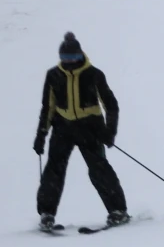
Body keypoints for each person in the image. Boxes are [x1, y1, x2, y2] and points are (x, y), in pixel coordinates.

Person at [34, 32, 129, 231]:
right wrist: (41, 135)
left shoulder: (94, 74)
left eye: (73, 58)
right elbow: (48, 108)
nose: (69, 62)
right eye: (65, 58)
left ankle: (118, 211)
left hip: (90, 128)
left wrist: (109, 131)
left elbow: (111, 105)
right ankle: (47, 214)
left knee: (99, 169)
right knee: (54, 170)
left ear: (80, 55)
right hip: (62, 128)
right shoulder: (53, 75)